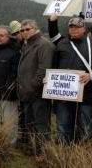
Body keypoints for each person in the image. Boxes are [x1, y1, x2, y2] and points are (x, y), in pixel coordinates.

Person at [51, 17, 92, 144]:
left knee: (85, 126)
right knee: (63, 125)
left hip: (87, 94)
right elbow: (54, 66)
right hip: (64, 95)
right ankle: (62, 154)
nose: (74, 29)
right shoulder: (62, 43)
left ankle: (83, 156)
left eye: (77, 27)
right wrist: (49, 80)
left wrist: (91, 74)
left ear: (84, 28)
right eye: (71, 27)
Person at [17, 19, 55, 161]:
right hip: (26, 93)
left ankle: (43, 152)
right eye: (22, 30)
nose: (24, 32)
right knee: (30, 124)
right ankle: (35, 150)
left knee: (41, 125)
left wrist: (32, 86)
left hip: (38, 94)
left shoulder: (44, 45)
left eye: (27, 29)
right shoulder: (27, 44)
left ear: (35, 28)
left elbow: (43, 70)